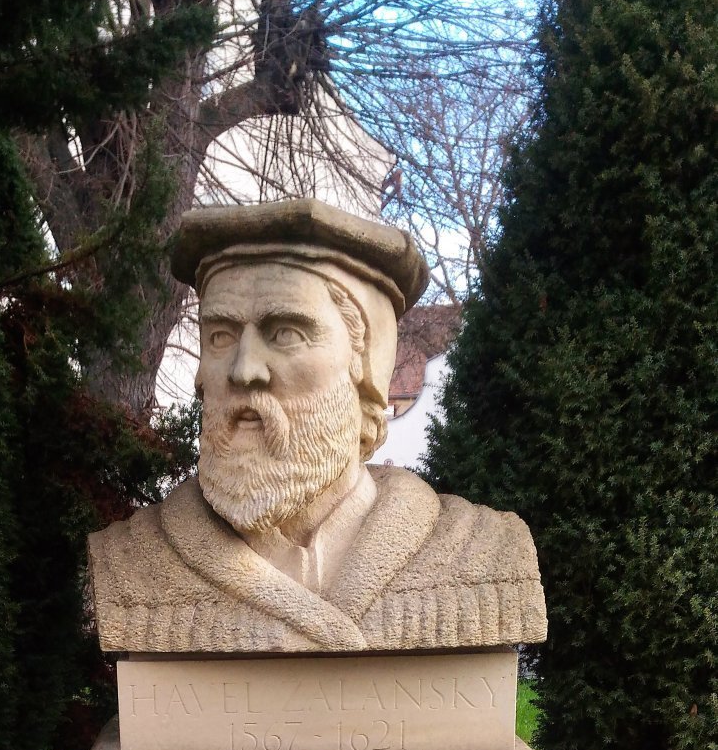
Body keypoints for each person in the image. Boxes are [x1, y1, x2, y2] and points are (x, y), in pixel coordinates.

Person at [89, 198, 546, 655]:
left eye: (286, 333)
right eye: (220, 336)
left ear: (364, 365)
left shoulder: (481, 550)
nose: (244, 370)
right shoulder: (131, 561)